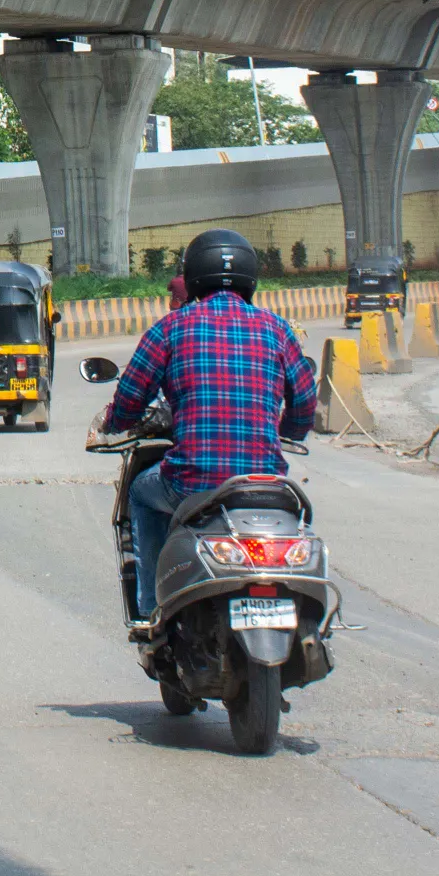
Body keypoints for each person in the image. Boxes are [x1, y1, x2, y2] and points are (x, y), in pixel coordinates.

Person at [103, 228, 317, 622]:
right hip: (264, 484)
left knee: (140, 494)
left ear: (193, 277)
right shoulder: (278, 329)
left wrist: (115, 422)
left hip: (192, 484)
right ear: (250, 278)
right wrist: (290, 430)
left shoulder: (170, 329)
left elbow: (131, 398)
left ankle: (152, 610)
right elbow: (304, 404)